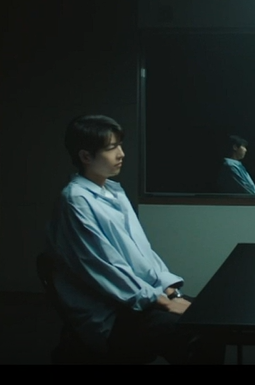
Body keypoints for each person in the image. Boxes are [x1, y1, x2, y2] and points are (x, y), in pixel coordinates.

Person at [45, 115, 224, 364]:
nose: (121, 154)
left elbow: (143, 254)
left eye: (120, 145)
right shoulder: (76, 200)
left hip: (137, 299)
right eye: (111, 148)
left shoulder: (114, 191)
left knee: (213, 319)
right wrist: (162, 302)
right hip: (113, 313)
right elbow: (106, 269)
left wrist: (170, 292)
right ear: (86, 156)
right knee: (191, 331)